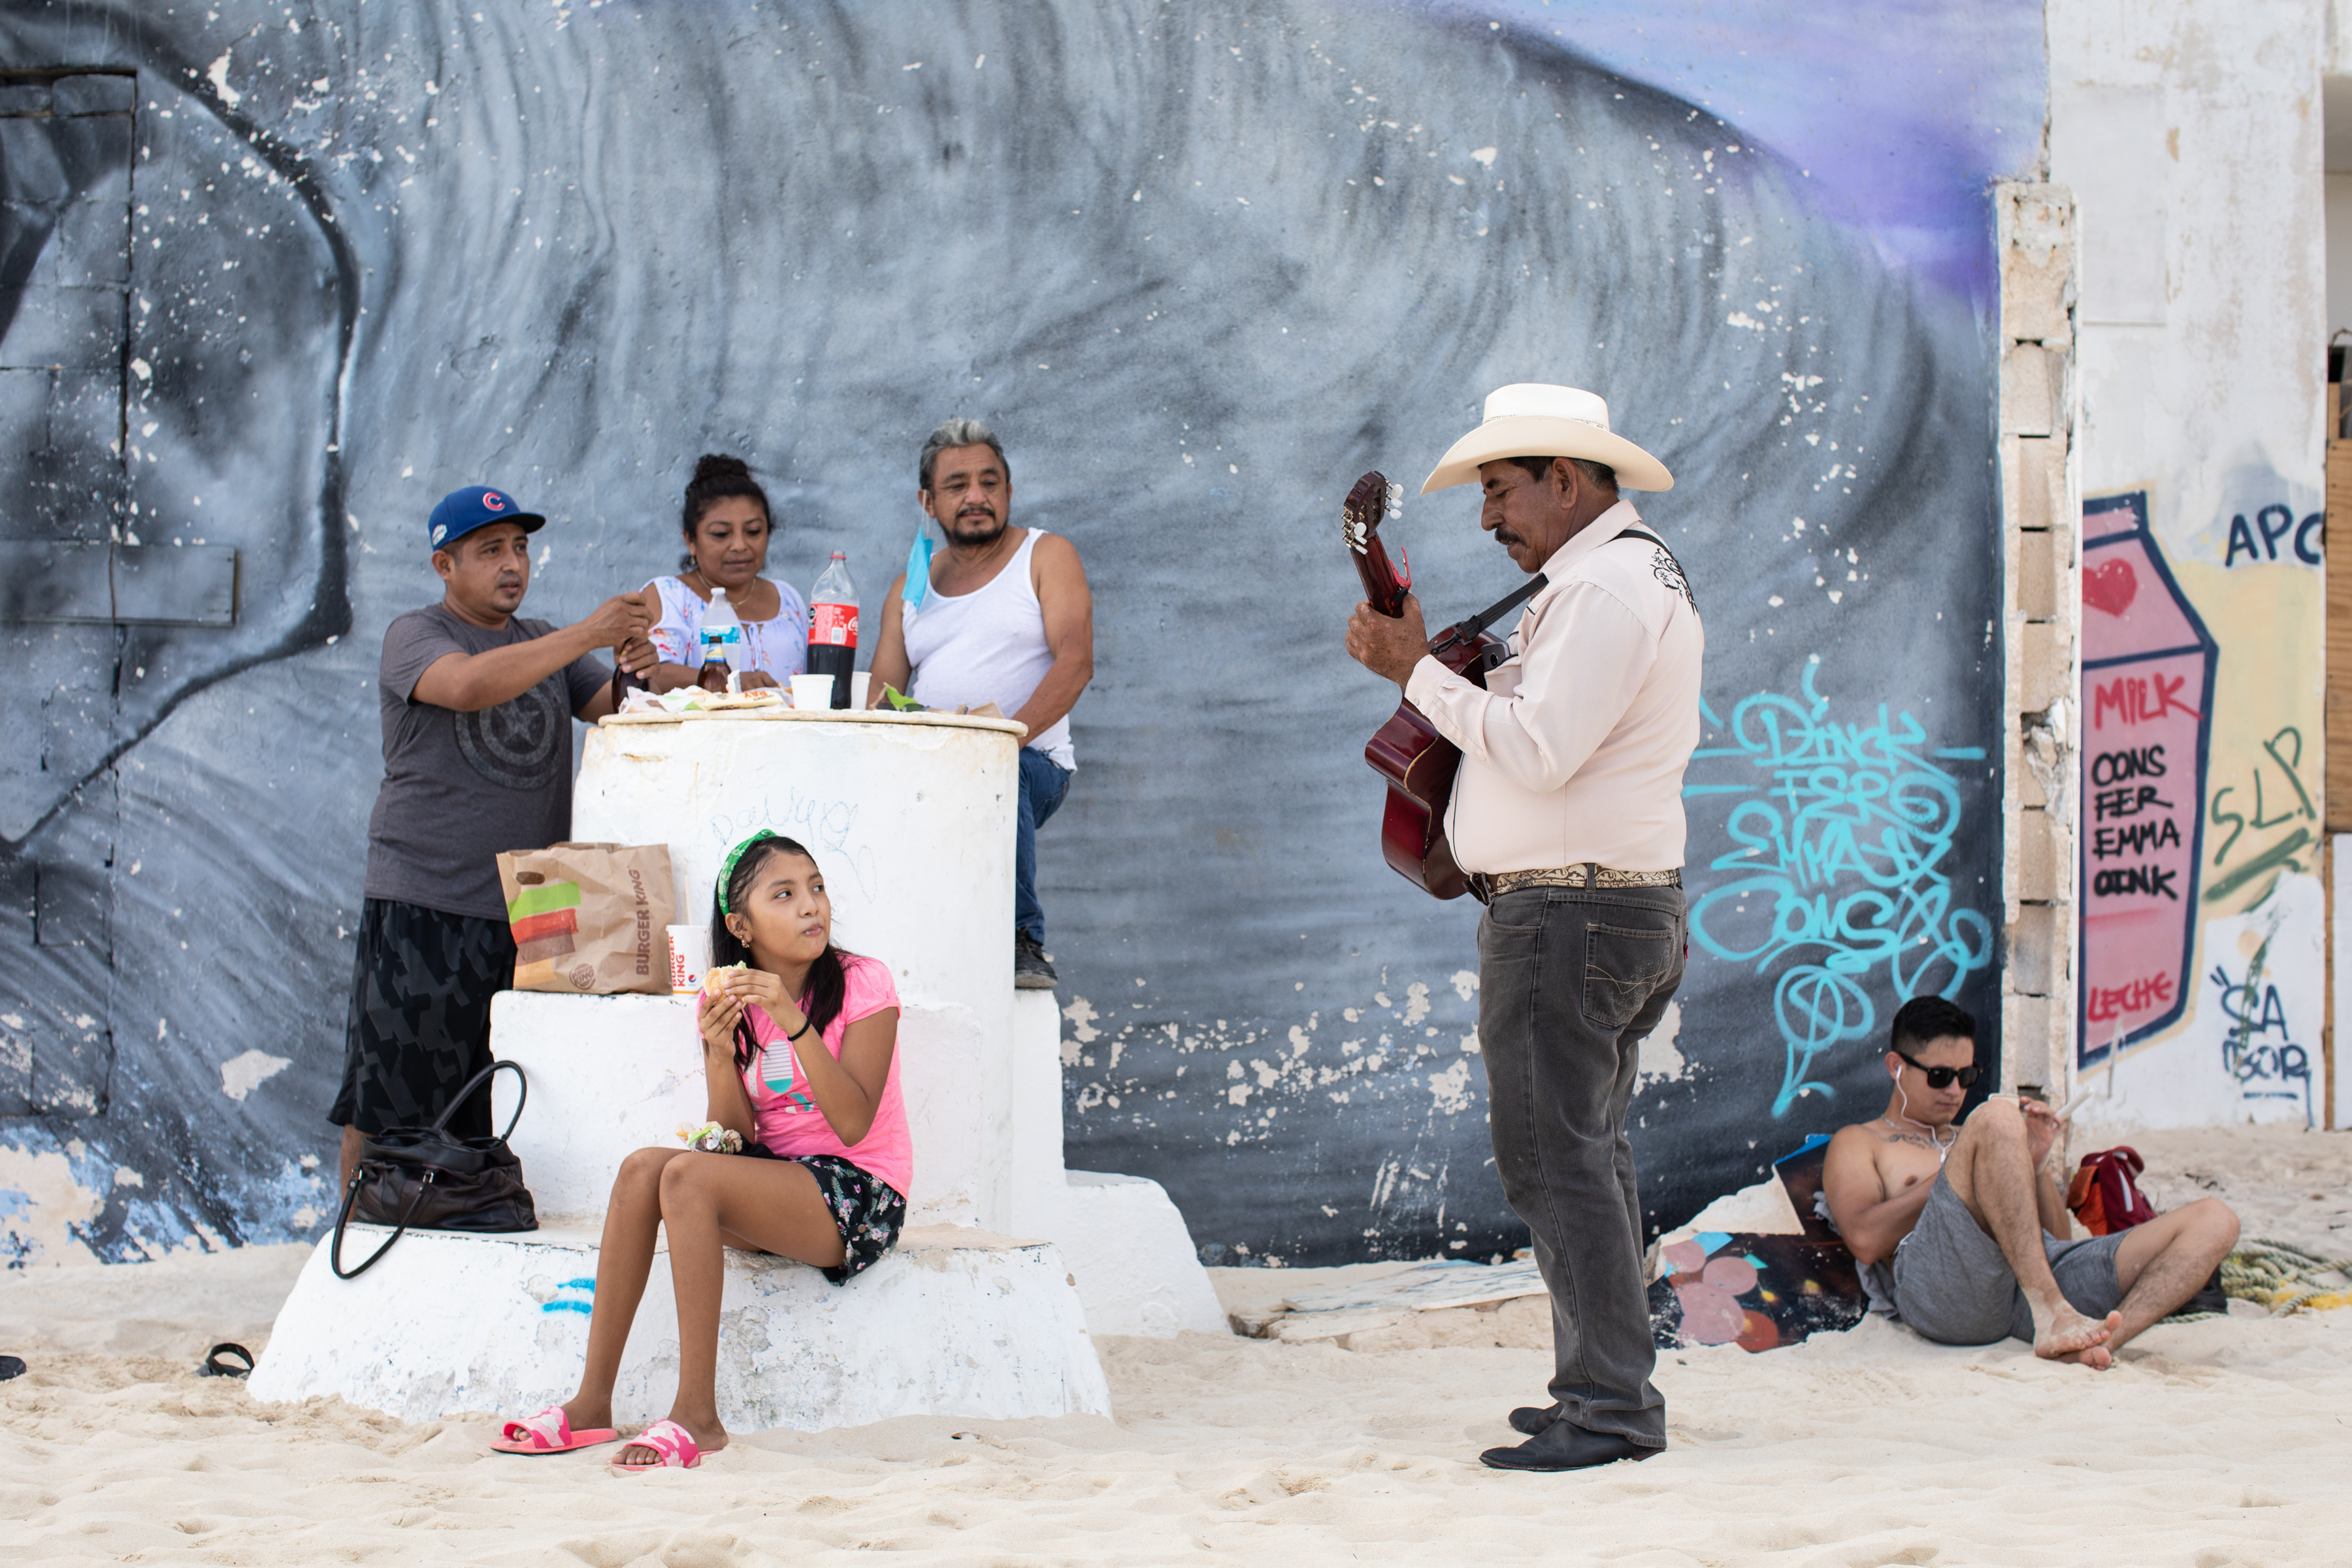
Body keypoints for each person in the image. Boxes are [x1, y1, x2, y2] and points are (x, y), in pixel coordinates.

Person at [1344, 383, 1701, 1473]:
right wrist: (1467, 672)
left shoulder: (1601, 590)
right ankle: (1603, 1390)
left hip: (1569, 913)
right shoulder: (1606, 580)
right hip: (1600, 910)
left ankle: (1609, 1409)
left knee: (1556, 1166)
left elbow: (1542, 751)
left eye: (1501, 490)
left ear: (1568, 477)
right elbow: (1550, 724)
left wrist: (1415, 672)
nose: (1488, 517)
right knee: (1588, 1159)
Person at [492, 832, 909, 1469]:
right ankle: (591, 1404)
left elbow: (853, 1123)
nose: (811, 907)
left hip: (860, 1196)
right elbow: (734, 1141)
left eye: (817, 888)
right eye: (786, 894)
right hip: (781, 1183)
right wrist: (720, 1051)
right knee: (644, 1171)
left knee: (687, 1178)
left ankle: (698, 1415)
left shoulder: (863, 983)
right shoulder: (732, 999)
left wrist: (794, 1022)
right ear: (741, 927)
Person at [330, 485, 655, 1186]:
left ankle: (468, 1235)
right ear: (444, 565)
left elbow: (614, 709)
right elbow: (468, 686)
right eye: (490, 551)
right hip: (425, 899)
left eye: (520, 548)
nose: (512, 564)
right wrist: (586, 633)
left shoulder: (543, 641)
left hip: (532, 911)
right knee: (385, 1096)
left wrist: (636, 663)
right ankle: (355, 1235)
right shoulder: (414, 635)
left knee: (492, 1098)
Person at [1821, 996, 2239, 1369]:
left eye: (1966, 1077)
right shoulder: (1861, 1141)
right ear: (1897, 1067)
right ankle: (2054, 1312)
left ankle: (2101, 1343)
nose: (1954, 1091)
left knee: (2216, 1220)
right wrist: (1962, 1167)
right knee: (1998, 1114)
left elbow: (2056, 1240)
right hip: (1944, 1293)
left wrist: (2031, 1164)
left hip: (2029, 1290)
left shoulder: (1978, 1134)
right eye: (1939, 1076)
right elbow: (1864, 1239)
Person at [868, 418, 1094, 989]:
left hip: (1029, 763)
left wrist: (1002, 738)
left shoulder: (1045, 555)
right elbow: (880, 695)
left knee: (994, 771)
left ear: (1009, 492)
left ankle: (1020, 939)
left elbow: (1076, 662)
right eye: (958, 485)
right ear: (928, 501)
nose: (976, 496)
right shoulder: (908, 588)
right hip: (930, 765)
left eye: (990, 482)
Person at [628, 453, 810, 692]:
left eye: (753, 531)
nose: (739, 545)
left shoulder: (788, 599)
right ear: (690, 540)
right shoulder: (668, 596)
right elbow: (649, 675)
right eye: (721, 534)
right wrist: (731, 682)